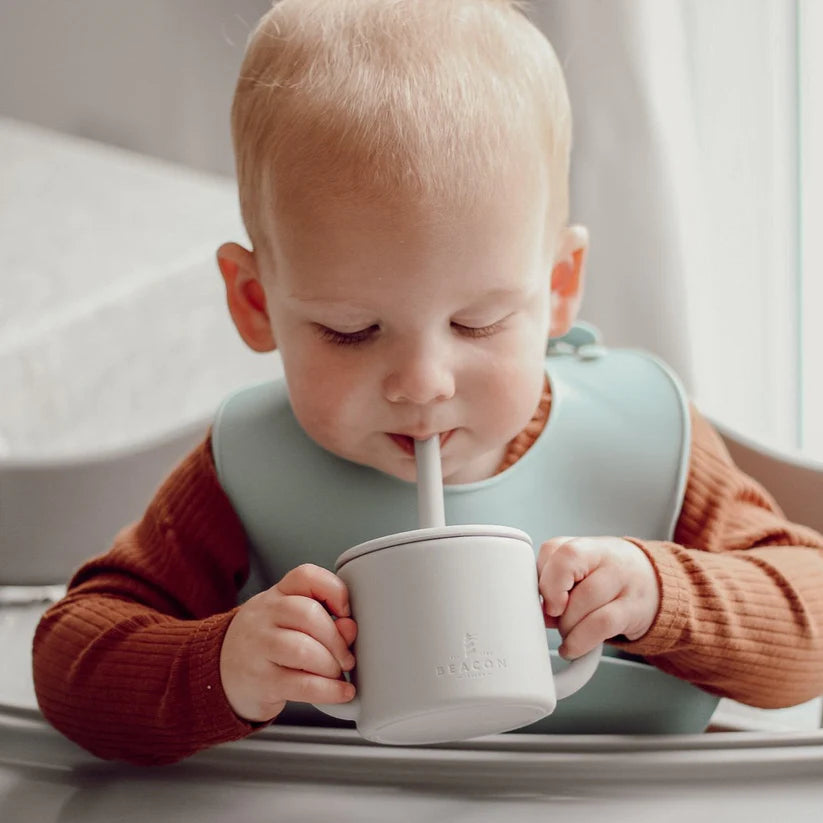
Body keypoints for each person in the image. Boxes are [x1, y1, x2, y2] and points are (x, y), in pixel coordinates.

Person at [32, 0, 823, 766]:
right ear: (254, 301)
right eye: (349, 329)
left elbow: (810, 611)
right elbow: (72, 653)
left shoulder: (645, 434)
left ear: (557, 286)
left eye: (477, 322)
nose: (420, 382)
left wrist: (661, 595)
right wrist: (223, 662)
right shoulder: (248, 467)